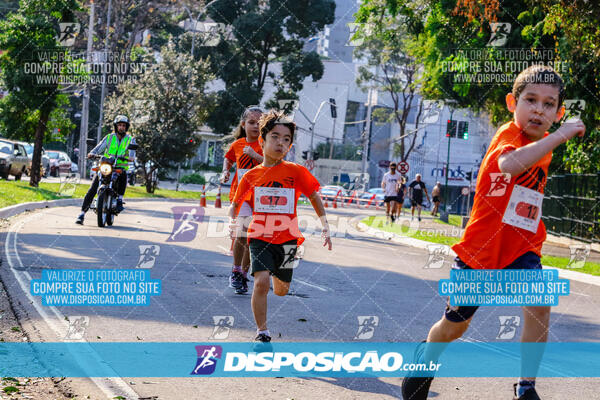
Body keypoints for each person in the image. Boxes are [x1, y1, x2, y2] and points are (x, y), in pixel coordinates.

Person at [401, 65, 585, 400]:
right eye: (531, 100)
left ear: (558, 113)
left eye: (548, 104)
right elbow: (510, 165)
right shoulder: (508, 137)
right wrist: (562, 135)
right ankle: (426, 358)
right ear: (512, 103)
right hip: (480, 251)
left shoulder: (543, 142)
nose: (538, 110)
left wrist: (553, 138)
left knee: (539, 304)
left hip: (522, 247)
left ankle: (526, 387)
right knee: (455, 326)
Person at [228, 110, 332, 343]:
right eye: (275, 137)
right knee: (261, 282)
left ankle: (277, 276)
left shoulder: (295, 172)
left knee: (282, 289)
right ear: (262, 141)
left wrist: (325, 225)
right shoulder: (252, 176)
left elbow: (314, 197)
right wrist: (232, 222)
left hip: (287, 239)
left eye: (286, 139)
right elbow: (235, 204)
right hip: (259, 235)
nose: (280, 143)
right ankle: (262, 331)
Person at [221, 106, 264, 294]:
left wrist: (256, 156)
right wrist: (225, 171)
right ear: (243, 124)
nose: (255, 126)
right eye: (251, 122)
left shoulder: (266, 144)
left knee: (253, 239)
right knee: (243, 233)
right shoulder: (237, 144)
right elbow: (228, 158)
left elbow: (273, 163)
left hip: (262, 198)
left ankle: (243, 274)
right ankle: (236, 270)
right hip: (242, 195)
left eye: (259, 123)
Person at [76, 115, 136, 225]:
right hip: (106, 165)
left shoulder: (130, 139)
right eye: (119, 125)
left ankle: (119, 200)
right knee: (93, 187)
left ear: (126, 127)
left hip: (119, 166)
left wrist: (131, 157)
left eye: (123, 125)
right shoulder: (109, 137)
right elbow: (100, 147)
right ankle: (81, 214)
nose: (121, 127)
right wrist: (92, 153)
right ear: (116, 126)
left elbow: (132, 153)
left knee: (123, 174)